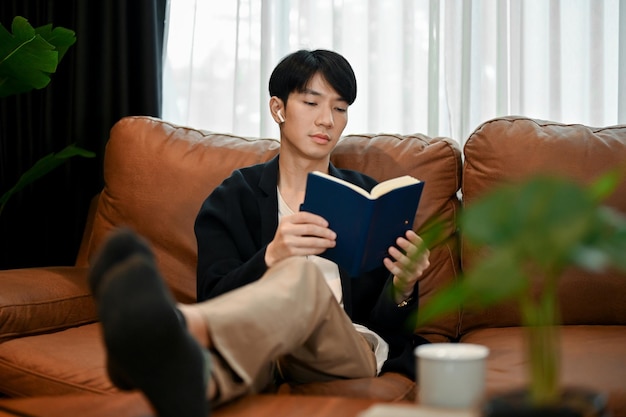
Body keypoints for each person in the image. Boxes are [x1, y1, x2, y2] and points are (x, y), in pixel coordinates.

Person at [89, 49, 431, 417]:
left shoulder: (365, 197)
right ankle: (173, 368)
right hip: (265, 347)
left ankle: (175, 327)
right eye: (312, 102)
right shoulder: (234, 197)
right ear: (278, 109)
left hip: (344, 347)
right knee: (224, 367)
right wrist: (271, 255)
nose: (327, 120)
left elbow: (381, 325)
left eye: (340, 108)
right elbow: (214, 295)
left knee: (300, 274)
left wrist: (402, 287)